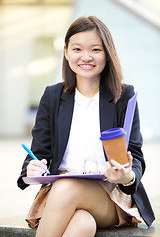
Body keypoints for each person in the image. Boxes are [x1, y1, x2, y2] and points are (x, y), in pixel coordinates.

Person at [17, 16, 155, 237]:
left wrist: (127, 176)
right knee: (82, 224)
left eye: (96, 50)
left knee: (66, 187)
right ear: (66, 52)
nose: (86, 56)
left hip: (109, 195)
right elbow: (37, 155)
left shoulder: (123, 96)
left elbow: (135, 156)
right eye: (77, 49)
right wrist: (33, 168)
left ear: (107, 54)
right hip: (61, 196)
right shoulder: (53, 96)